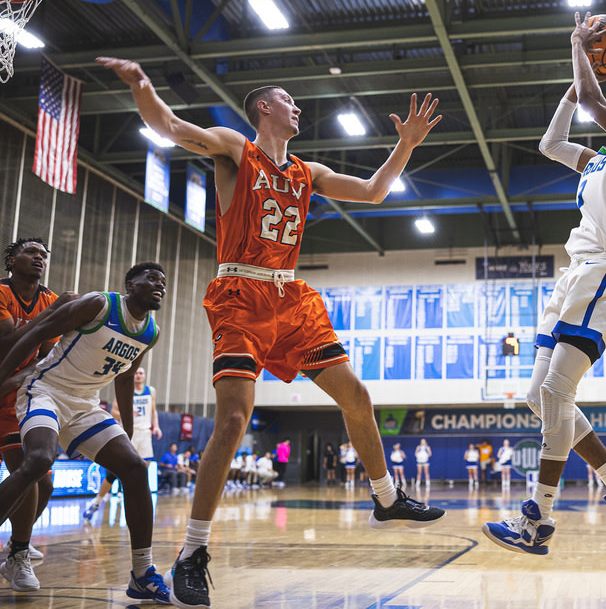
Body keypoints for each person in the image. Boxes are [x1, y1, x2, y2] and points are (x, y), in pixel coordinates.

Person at [98, 56, 445, 608]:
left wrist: (406, 144)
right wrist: (142, 86)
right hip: (240, 294)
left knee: (356, 395)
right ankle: (192, 552)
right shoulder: (238, 149)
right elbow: (170, 127)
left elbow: (376, 192)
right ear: (265, 108)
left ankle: (386, 497)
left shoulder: (308, 173)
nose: (298, 107)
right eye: (289, 99)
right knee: (234, 417)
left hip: (290, 296)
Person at [483, 12, 606, 561]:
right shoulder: (602, 160)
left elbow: (601, 109)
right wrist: (574, 87)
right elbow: (552, 143)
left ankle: (537, 518)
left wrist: (579, 47)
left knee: (555, 393)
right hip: (576, 273)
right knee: (536, 395)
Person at [0, 263, 170, 602]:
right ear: (129, 283)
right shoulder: (100, 304)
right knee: (39, 459)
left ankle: (142, 574)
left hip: (85, 405)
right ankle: (17, 550)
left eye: (163, 281)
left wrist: (126, 432)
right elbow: (36, 332)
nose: (159, 285)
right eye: (151, 278)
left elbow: (124, 378)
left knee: (135, 468)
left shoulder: (150, 332)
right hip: (45, 390)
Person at [0, 238, 66, 590]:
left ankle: (17, 552)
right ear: (11, 260)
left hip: (13, 397)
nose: (40, 258)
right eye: (32, 253)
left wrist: (18, 379)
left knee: (40, 478)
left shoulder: (51, 301)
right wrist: (43, 323)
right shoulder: (0, 292)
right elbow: (9, 342)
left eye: (44, 255)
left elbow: (47, 355)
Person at [84, 366, 163, 520]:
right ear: (133, 376)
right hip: (129, 432)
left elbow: (153, 410)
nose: (138, 376)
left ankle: (132, 499)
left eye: (141, 373)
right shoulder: (126, 390)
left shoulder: (151, 391)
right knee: (114, 474)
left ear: (145, 376)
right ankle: (97, 501)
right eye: (136, 374)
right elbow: (113, 412)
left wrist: (157, 426)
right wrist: (128, 414)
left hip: (145, 433)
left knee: (142, 470)